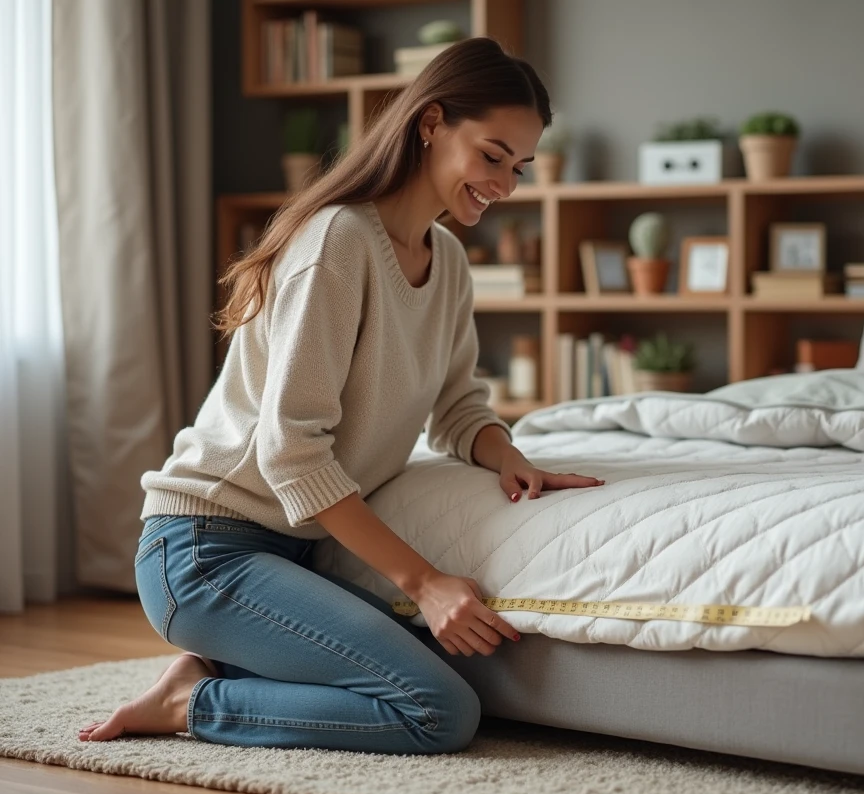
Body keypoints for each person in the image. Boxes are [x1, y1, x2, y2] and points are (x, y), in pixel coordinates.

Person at [78, 37, 602, 755]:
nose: (506, 184)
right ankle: (192, 702)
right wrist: (424, 582)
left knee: (464, 668)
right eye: (491, 155)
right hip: (203, 551)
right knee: (438, 711)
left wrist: (504, 453)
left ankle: (216, 661)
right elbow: (291, 451)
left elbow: (457, 408)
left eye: (519, 166)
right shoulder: (339, 242)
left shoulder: (446, 262)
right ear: (430, 123)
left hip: (291, 554)